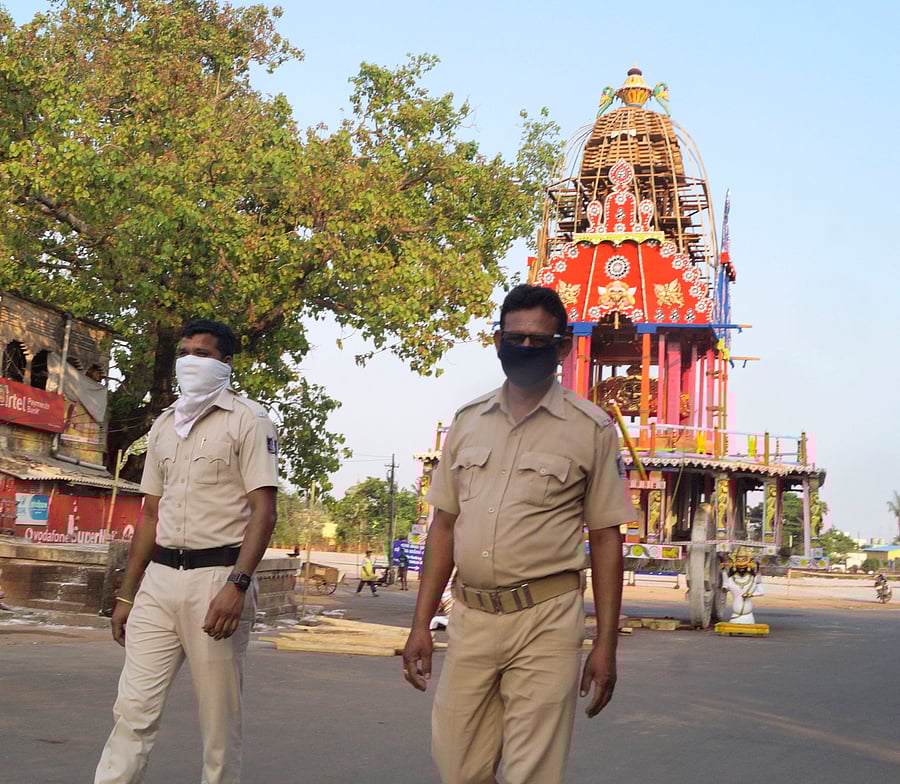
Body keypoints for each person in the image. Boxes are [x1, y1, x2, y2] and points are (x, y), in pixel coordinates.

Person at [402, 284, 635, 784]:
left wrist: (606, 643)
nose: (525, 349)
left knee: (533, 773)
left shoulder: (591, 430)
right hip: (471, 618)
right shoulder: (467, 423)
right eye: (516, 338)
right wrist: (420, 623)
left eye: (539, 340)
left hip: (546, 622)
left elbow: (606, 539)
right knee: (458, 766)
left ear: (564, 346)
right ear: (497, 341)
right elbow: (443, 527)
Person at [94, 319, 278, 784]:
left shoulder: (249, 421)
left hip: (217, 580)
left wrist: (237, 586)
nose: (191, 361)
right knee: (132, 709)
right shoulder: (163, 426)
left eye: (203, 353)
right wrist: (127, 595)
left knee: (218, 722)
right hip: (158, 582)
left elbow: (263, 512)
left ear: (226, 364)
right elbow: (150, 516)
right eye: (184, 352)